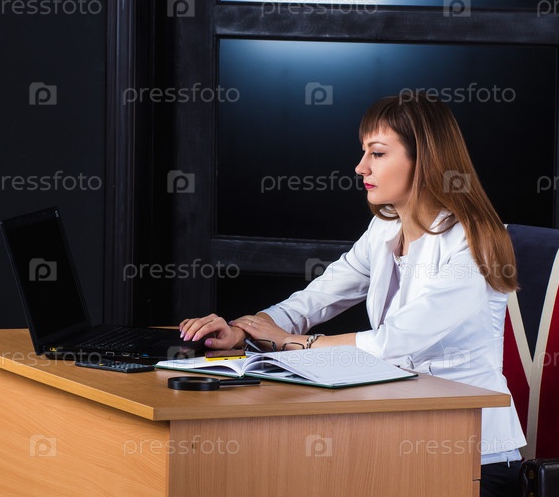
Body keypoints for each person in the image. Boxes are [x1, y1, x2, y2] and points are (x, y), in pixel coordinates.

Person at [179, 90, 527, 496]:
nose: (361, 167)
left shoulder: (472, 241)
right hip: (395, 437)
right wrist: (245, 329)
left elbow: (393, 343)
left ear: (425, 160)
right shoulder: (386, 226)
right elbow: (318, 297)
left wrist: (293, 343)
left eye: (377, 153)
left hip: (474, 454)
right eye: (364, 152)